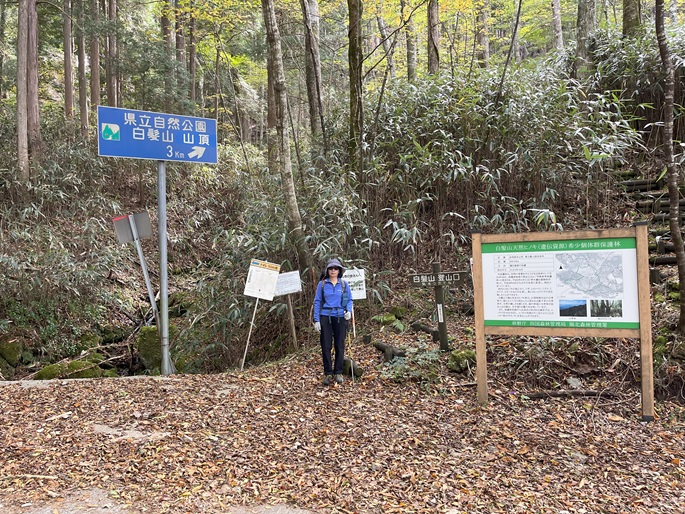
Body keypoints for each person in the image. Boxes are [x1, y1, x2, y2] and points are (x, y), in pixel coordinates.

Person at [313, 258, 353, 385]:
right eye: (331, 268)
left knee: (339, 344)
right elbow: (317, 301)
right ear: (327, 270)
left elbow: (349, 299)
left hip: (340, 316)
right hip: (326, 316)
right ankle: (328, 373)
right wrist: (316, 320)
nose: (333, 270)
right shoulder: (322, 284)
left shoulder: (343, 284)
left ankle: (338, 372)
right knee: (326, 345)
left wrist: (349, 311)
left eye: (336, 268)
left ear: (339, 270)